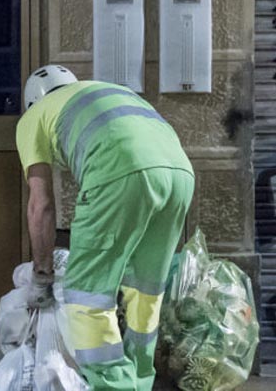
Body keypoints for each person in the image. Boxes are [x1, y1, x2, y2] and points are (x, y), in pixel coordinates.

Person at [16, 65, 194, 391]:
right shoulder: (105, 92)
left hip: (119, 170)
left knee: (87, 297)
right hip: (180, 174)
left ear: (33, 101)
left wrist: (42, 277)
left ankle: (114, 386)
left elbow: (40, 204)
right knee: (145, 290)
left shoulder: (34, 117)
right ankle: (139, 381)